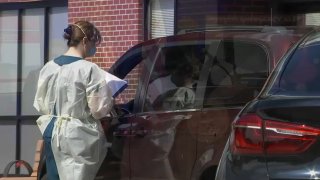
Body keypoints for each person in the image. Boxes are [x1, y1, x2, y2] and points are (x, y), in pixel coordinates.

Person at [33, 21, 126, 180]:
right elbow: (98, 110)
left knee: (54, 175)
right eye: (93, 43)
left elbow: (40, 103)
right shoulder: (89, 69)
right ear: (85, 41)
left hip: (51, 130)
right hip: (77, 135)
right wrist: (109, 97)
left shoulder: (48, 67)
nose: (94, 48)